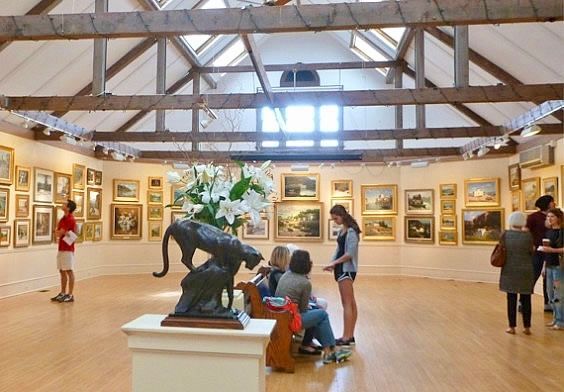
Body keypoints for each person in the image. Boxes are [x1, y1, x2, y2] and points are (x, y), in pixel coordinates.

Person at [276, 250, 352, 364]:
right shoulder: (304, 283)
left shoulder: (286, 275)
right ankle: (330, 351)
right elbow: (303, 310)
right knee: (322, 314)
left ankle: (329, 350)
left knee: (318, 315)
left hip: (281, 314)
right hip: (291, 319)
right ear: (307, 264)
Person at [323, 204, 360, 346]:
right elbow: (339, 250)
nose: (335, 221)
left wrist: (334, 263)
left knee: (347, 304)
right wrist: (332, 263)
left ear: (342, 215)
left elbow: (349, 254)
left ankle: (346, 336)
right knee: (351, 302)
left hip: (346, 270)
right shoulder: (342, 231)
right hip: (341, 268)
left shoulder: (351, 231)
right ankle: (349, 335)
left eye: (336, 218)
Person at [500, 211, 535, 334]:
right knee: (526, 299)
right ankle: (527, 327)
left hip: (509, 269)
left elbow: (501, 249)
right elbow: (532, 251)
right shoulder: (528, 236)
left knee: (511, 298)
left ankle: (512, 327)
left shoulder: (505, 235)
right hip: (526, 269)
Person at [525, 195, 555, 311]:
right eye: (552, 201)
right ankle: (524, 301)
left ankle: (548, 303)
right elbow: (526, 231)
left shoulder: (555, 216)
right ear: (546, 203)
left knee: (549, 278)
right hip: (537, 252)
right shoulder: (533, 217)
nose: (554, 203)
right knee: (533, 275)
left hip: (551, 251)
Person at [540, 208, 564, 330]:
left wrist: (553, 250)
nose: (549, 219)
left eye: (552, 217)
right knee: (550, 294)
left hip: (559, 266)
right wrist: (544, 266)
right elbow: (546, 251)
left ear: (558, 218)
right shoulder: (548, 232)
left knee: (559, 295)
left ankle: (561, 321)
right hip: (549, 265)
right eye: (548, 216)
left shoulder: (562, 232)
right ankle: (555, 318)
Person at [50, 199, 77, 303]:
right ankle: (62, 293)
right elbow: (58, 232)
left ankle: (70, 294)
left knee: (69, 270)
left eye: (65, 204)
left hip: (68, 249)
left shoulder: (70, 219)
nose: (62, 204)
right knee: (61, 270)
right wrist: (60, 232)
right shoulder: (63, 219)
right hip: (61, 247)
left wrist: (59, 232)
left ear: (68, 208)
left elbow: (59, 232)